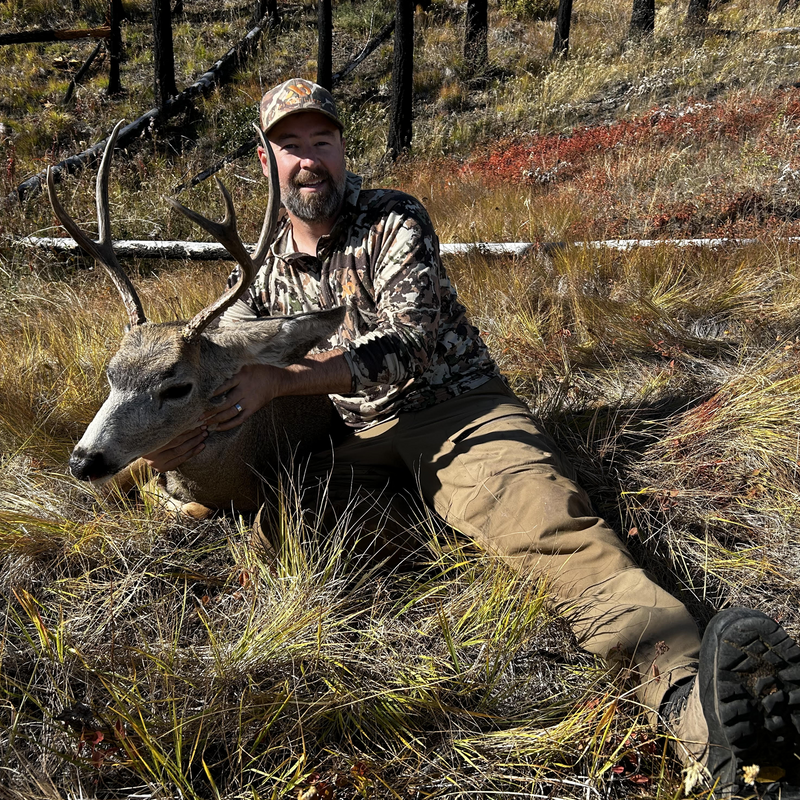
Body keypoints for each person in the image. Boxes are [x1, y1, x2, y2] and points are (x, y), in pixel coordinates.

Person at [144, 78, 800, 798]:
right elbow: (227, 370)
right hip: (356, 440)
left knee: (552, 536)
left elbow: (409, 344)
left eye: (321, 142)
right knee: (282, 526)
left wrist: (281, 383)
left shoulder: (392, 219)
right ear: (266, 161)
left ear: (340, 148)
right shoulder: (259, 274)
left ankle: (701, 720)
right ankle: (456, 536)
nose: (308, 160)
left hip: (453, 412)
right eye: (289, 146)